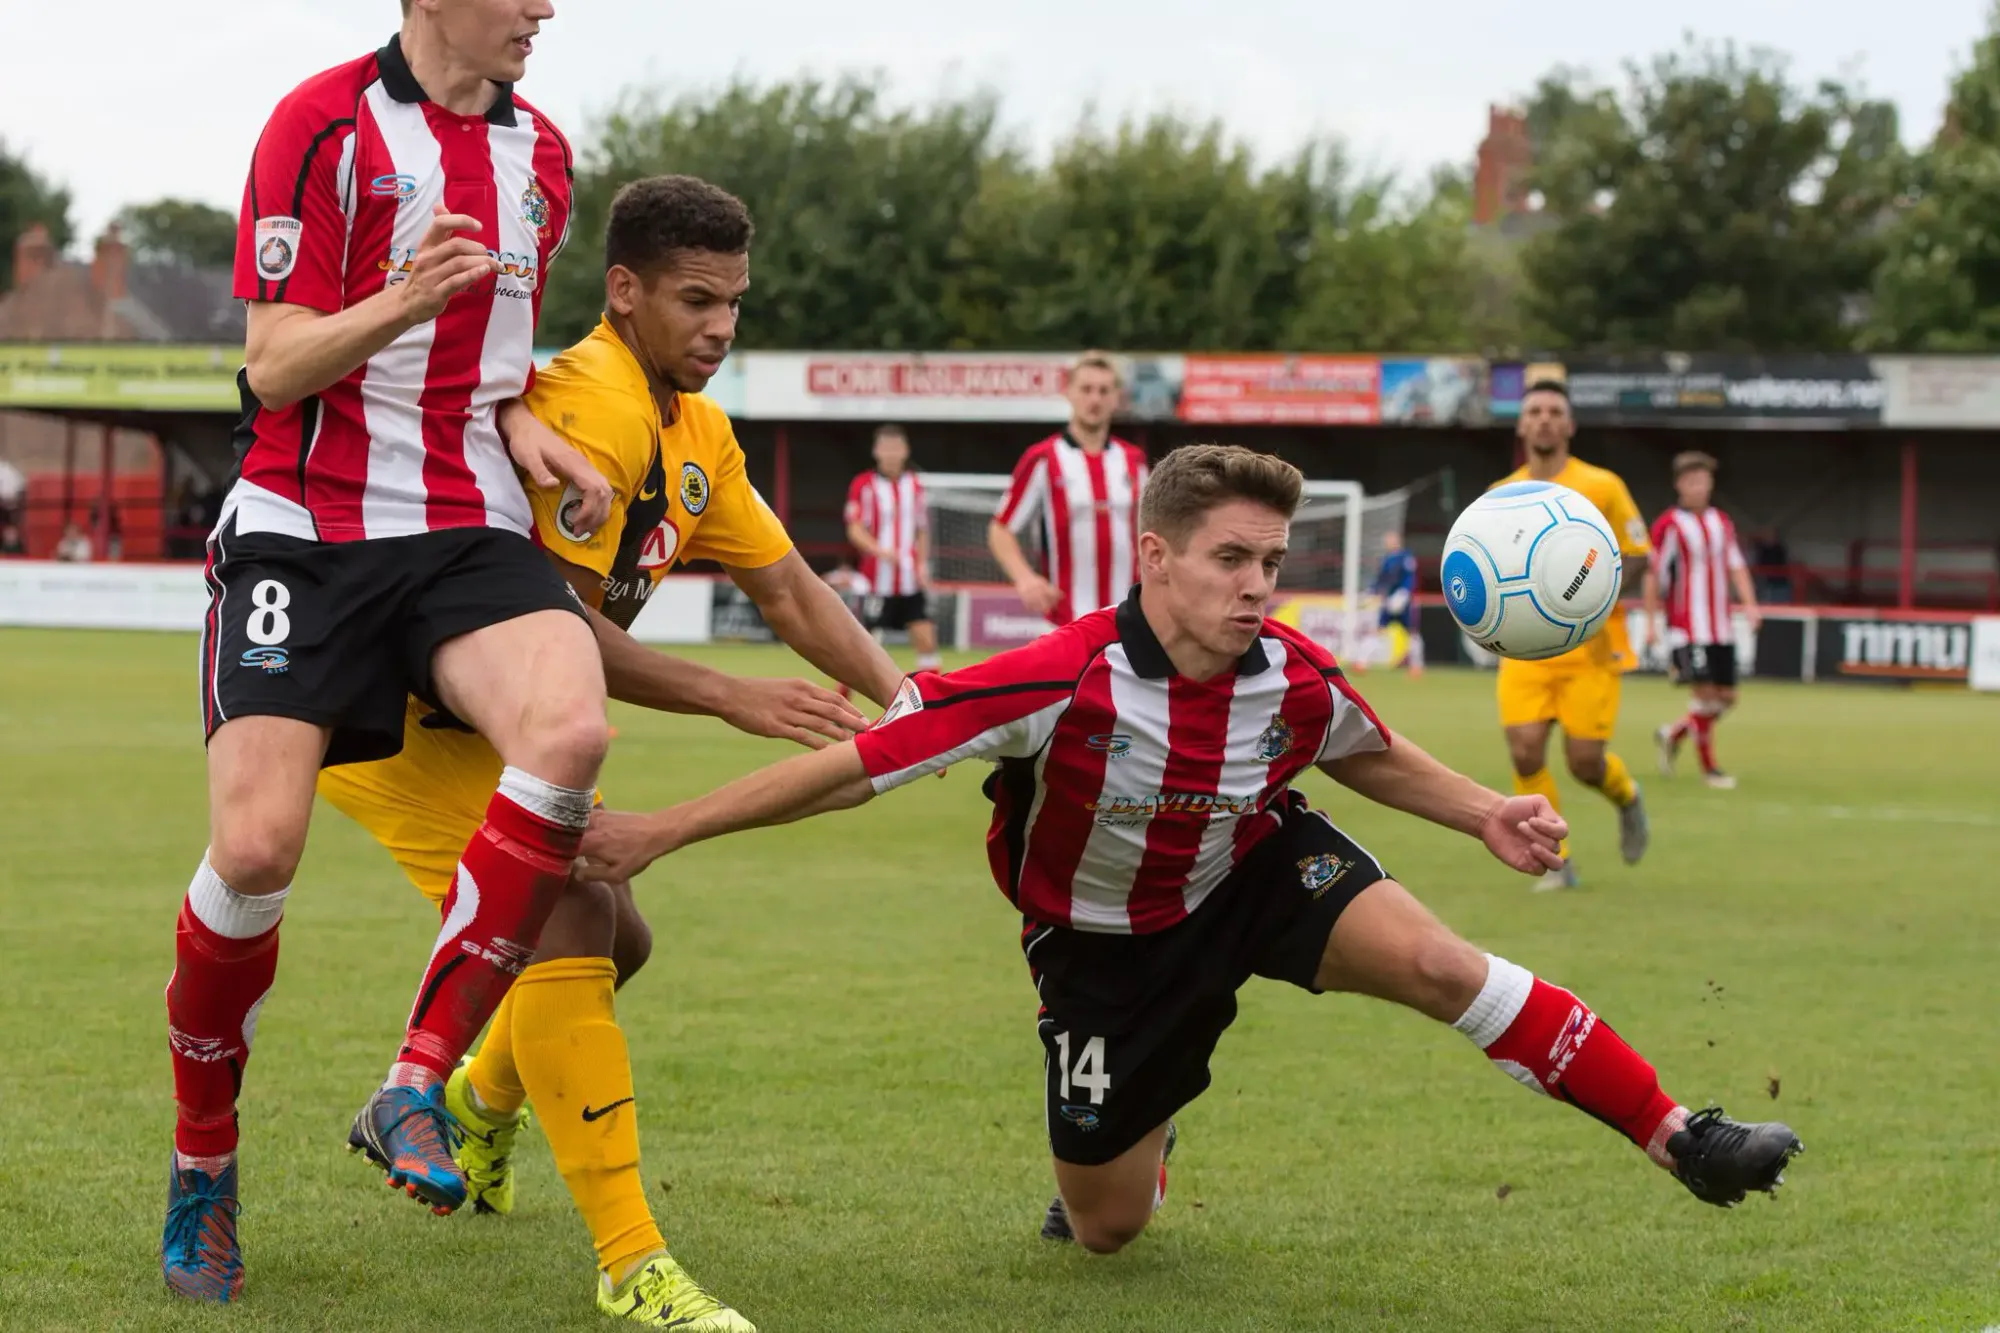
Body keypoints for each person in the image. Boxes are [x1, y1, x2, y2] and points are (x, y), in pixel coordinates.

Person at [578, 443, 1804, 1257]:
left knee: (1443, 967)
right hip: (1103, 949)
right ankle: (1144, 1146)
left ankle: (1679, 1136)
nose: (1256, 585)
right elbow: (850, 770)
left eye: (1270, 561)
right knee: (1102, 1227)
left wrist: (1484, 807)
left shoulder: (1289, 673)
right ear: (1153, 556)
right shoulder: (1051, 677)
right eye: (1230, 558)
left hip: (1254, 869)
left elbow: (1363, 752)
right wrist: (661, 830)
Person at [320, 175, 902, 1331]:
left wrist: (914, 697)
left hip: (494, 727)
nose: (722, 328)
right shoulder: (591, 401)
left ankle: (482, 1112)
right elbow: (546, 625)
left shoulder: (695, 428)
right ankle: (631, 1262)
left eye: (734, 302)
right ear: (624, 291)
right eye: (696, 300)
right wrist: (728, 697)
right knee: (572, 915)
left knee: (615, 929)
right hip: (403, 722)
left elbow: (785, 586)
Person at [164, 1, 618, 1303]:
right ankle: (204, 1167)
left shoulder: (545, 156)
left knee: (572, 733)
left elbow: (492, 364)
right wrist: (401, 296)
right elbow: (272, 365)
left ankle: (413, 1082)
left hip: (465, 524)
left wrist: (531, 431)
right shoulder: (320, 125)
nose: (546, 8)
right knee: (254, 850)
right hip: (306, 526)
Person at [1492, 381, 1651, 892]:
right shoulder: (1501, 496)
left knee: (1585, 764)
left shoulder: (1603, 485)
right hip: (1526, 649)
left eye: (1553, 411)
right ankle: (1555, 861)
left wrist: (1592, 596)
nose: (1543, 419)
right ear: (1521, 425)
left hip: (1591, 648)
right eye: (1534, 410)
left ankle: (1626, 796)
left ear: (1569, 425)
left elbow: (1640, 553)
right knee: (1524, 752)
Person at [987, 351, 1149, 627]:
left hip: (1130, 619)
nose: (1094, 399)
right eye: (1086, 389)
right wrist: (1025, 579)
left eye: (1103, 390)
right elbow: (1000, 529)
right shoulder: (1043, 458)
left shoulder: (1134, 461)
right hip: (1065, 621)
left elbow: (1153, 531)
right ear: (1069, 392)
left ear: (1115, 398)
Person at [1644, 452, 1762, 790]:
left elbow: (1736, 566)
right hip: (1687, 625)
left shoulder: (1722, 522)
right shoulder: (1669, 525)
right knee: (1706, 695)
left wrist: (1751, 605)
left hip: (1720, 625)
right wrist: (1651, 622)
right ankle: (1711, 770)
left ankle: (1673, 733)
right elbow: (1654, 573)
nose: (1698, 486)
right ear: (1680, 484)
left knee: (1727, 698)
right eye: (1691, 480)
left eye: (1703, 479)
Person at [845, 423, 941, 671]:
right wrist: (879, 551)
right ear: (876, 451)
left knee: (926, 639)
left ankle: (933, 701)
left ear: (905, 451)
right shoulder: (863, 484)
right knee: (861, 647)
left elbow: (921, 529)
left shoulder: (915, 485)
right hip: (876, 579)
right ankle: (840, 700)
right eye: (885, 448)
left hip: (909, 578)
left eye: (895, 448)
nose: (890, 454)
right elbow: (854, 529)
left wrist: (921, 564)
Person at [1371, 529, 1423, 676]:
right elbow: (1381, 580)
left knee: (1412, 633)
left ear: (1398, 541)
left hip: (1403, 602)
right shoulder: (1386, 559)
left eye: (1391, 539)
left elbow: (1410, 578)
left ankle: (1417, 666)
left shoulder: (1406, 557)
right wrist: (1373, 591)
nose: (1388, 543)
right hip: (1388, 602)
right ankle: (1361, 663)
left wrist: (1404, 594)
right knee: (1379, 629)